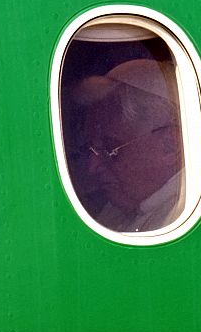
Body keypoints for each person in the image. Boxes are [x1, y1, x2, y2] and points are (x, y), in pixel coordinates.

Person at [70, 59, 185, 232]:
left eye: (109, 150)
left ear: (171, 145)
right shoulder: (117, 207)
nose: (92, 168)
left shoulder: (181, 217)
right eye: (92, 150)